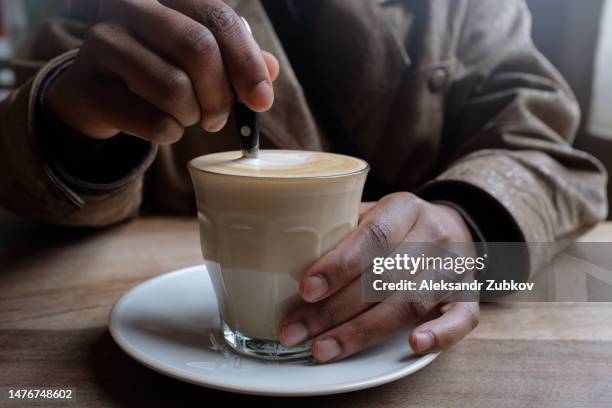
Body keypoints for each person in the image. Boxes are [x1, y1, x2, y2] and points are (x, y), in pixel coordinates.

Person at [0, 0, 607, 363]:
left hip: (411, 333)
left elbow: (546, 150)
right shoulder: (131, 6)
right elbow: (18, 160)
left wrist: (464, 225)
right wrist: (73, 123)